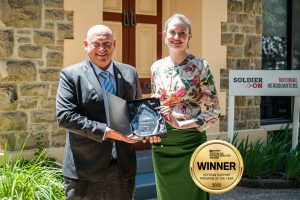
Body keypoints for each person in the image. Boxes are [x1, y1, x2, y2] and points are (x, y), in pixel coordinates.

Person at [56, 25, 143, 199]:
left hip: (122, 166)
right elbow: (65, 116)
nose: (102, 49)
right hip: (84, 168)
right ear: (86, 45)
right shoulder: (71, 75)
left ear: (114, 44)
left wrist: (148, 127)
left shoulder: (129, 72)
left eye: (107, 43)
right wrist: (106, 132)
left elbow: (137, 110)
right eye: (96, 44)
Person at [150, 14, 221, 200]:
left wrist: (182, 124)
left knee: (193, 193)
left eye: (182, 33)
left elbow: (214, 111)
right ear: (165, 35)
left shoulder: (200, 66)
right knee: (167, 194)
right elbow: (154, 103)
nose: (176, 37)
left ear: (190, 37)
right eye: (172, 32)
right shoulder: (156, 67)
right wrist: (150, 128)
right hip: (163, 142)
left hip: (191, 141)